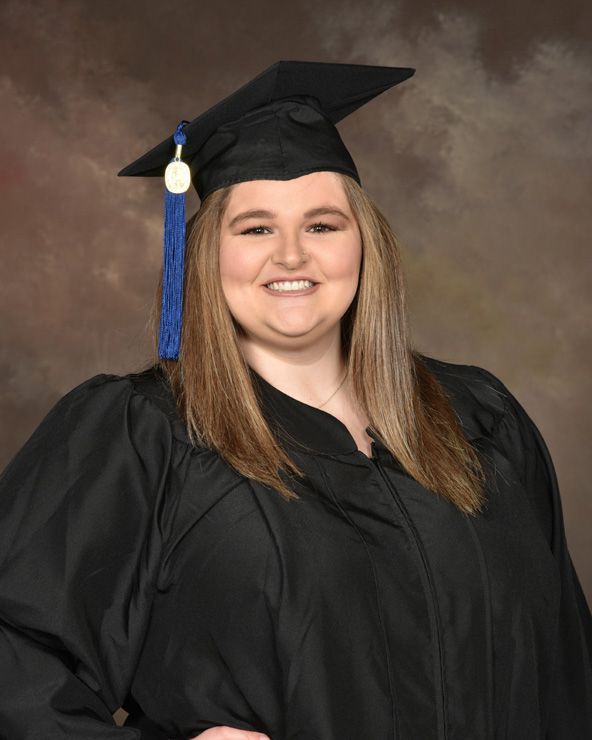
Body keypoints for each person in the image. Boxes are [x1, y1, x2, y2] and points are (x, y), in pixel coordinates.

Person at [0, 60, 590, 740]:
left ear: (365, 244)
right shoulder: (147, 438)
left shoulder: (480, 419)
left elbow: (567, 673)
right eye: (254, 228)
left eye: (322, 225)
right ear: (204, 254)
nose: (290, 256)